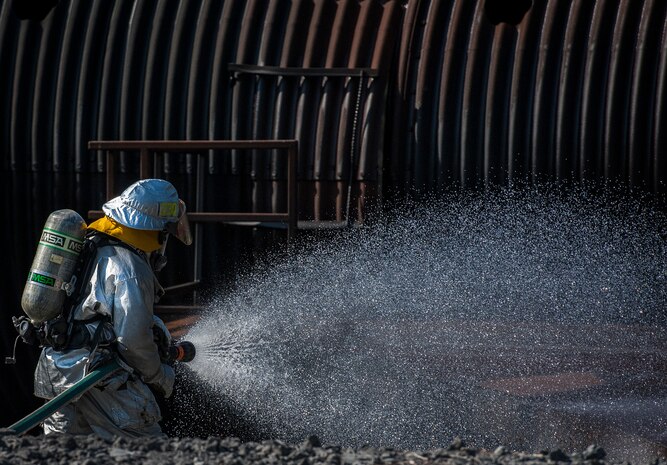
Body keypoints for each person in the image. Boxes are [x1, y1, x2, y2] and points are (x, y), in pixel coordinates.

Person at [33, 178, 192, 439]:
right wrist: (161, 376)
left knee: (65, 454)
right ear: (157, 230)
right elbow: (133, 339)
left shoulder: (93, 243)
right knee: (149, 449)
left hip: (58, 370)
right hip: (100, 378)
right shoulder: (131, 268)